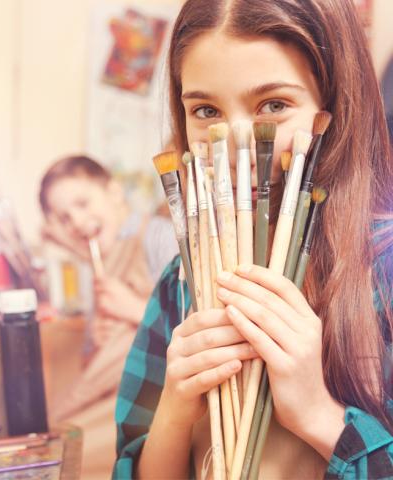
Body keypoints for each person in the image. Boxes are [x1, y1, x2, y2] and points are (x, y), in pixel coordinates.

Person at [113, 1, 393, 479]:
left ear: (335, 108)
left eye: (274, 105)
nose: (238, 144)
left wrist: (317, 415)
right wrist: (176, 410)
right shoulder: (182, 281)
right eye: (205, 110)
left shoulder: (383, 269)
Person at [38, 155, 178, 479]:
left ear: (115, 193)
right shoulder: (95, 267)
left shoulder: (157, 236)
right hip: (109, 395)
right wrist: (97, 343)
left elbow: (196, 314)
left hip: (156, 398)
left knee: (67, 458)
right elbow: (91, 367)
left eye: (83, 203)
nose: (77, 220)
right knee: (55, 445)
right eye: (65, 217)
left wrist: (133, 308)